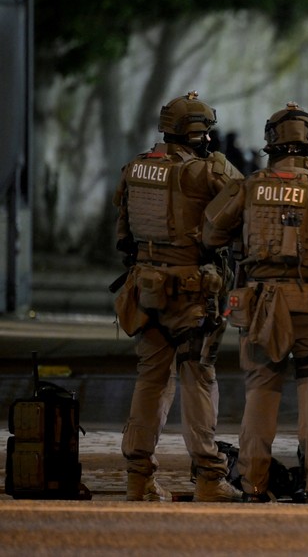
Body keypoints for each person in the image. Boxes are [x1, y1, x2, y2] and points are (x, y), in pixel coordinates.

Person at [202, 102, 308, 503]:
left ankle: (254, 483)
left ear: (273, 141)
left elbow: (210, 234)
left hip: (261, 303)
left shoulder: (249, 186)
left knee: (261, 389)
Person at [112, 90, 244, 502]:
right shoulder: (204, 172)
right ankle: (208, 476)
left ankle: (139, 476)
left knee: (150, 379)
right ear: (198, 133)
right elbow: (242, 197)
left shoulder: (135, 169)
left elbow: (123, 236)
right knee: (199, 379)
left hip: (145, 289)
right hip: (192, 295)